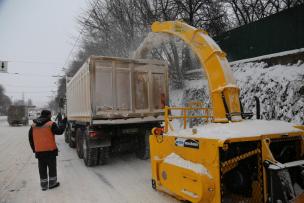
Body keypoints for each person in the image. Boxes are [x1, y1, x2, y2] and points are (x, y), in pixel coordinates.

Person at [28, 110, 66, 191]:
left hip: (39, 151)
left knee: (42, 168)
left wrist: (34, 149)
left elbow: (30, 139)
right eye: (50, 115)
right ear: (48, 115)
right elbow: (59, 131)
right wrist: (63, 122)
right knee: (52, 167)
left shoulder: (33, 125)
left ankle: (44, 185)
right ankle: (52, 183)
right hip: (50, 151)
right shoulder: (50, 124)